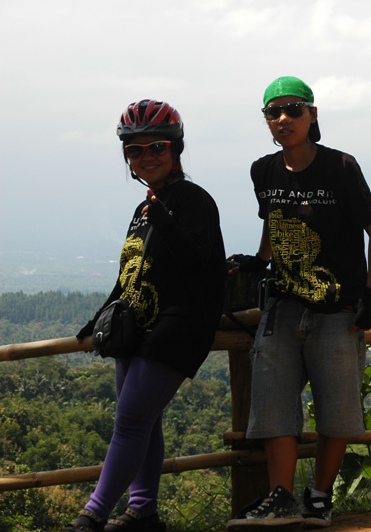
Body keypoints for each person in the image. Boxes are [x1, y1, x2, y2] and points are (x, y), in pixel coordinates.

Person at [226, 76, 371, 530]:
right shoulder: (264, 170)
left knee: (336, 407)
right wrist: (260, 262)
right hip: (282, 306)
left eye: (293, 109)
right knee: (274, 405)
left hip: (338, 309)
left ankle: (318, 498)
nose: (282, 119)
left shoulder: (340, 166)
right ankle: (279, 498)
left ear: (313, 115)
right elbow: (273, 224)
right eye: (273, 112)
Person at [64, 100, 227, 532]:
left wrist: (167, 221)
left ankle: (92, 515)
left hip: (178, 326)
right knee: (144, 421)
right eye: (135, 151)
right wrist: (98, 317)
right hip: (136, 326)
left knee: (130, 420)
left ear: (176, 149)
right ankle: (143, 511)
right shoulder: (144, 209)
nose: (147, 156)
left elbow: (198, 264)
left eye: (157, 146)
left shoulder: (192, 200)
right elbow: (133, 272)